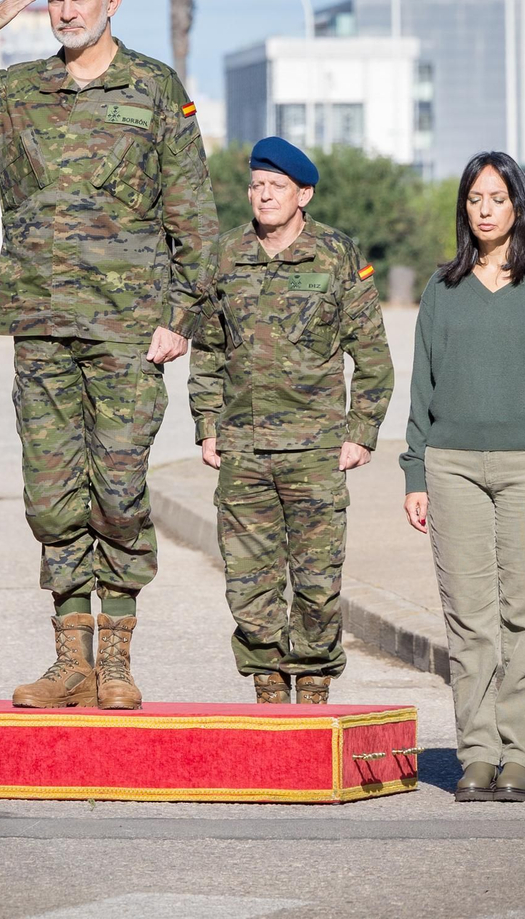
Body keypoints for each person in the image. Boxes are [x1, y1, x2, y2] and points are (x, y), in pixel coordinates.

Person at [0, 0, 217, 710]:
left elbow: (195, 220)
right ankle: (70, 656)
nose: (67, 12)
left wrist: (181, 319)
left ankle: (117, 659)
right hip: (41, 325)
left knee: (118, 491)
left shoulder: (153, 88)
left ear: (113, 0)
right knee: (50, 495)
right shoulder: (14, 93)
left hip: (127, 330)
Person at [400, 151, 525, 803]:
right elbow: (422, 386)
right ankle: (478, 752)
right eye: (475, 199)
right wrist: (414, 471)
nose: (484, 210)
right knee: (470, 621)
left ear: (518, 206)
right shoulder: (442, 287)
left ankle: (520, 756)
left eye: (496, 198)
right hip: (451, 467)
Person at [189, 137, 393, 704]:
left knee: (317, 579)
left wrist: (361, 433)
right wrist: (207, 423)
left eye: (276, 186)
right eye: (256, 185)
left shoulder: (338, 255)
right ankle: (267, 681)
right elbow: (208, 347)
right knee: (247, 578)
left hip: (316, 450)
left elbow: (372, 354)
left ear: (303, 194)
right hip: (243, 446)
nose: (263, 196)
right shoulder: (225, 254)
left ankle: (314, 680)